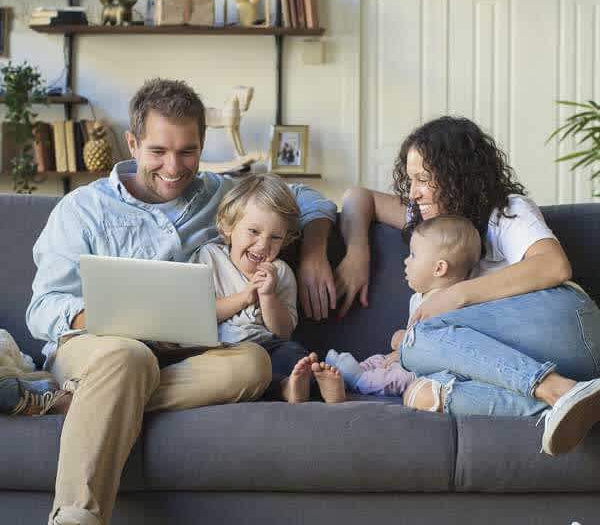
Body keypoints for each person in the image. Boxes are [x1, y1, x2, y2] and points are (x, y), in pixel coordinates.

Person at [26, 78, 337, 525]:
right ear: (132, 143)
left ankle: (87, 402)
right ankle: (77, 517)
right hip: (100, 349)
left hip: (188, 356)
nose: (174, 167)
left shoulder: (219, 195)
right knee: (128, 355)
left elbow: (306, 199)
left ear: (201, 144)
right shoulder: (82, 209)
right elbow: (42, 308)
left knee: (252, 363)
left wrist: (312, 254)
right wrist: (101, 316)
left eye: (187, 151)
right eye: (158, 152)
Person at [335, 116, 600, 455]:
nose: (413, 193)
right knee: (423, 392)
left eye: (423, 179)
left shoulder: (505, 212)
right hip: (556, 362)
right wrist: (357, 253)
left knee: (417, 340)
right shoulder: (434, 223)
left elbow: (554, 265)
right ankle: (574, 399)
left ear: (456, 178)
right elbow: (359, 197)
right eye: (410, 179)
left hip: (569, 325)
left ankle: (553, 390)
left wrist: (455, 296)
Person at [193, 173, 344, 404]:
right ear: (227, 226)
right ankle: (285, 388)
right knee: (215, 364)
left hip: (267, 345)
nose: (263, 245)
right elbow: (202, 314)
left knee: (295, 354)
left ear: (285, 241)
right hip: (220, 348)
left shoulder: (280, 272)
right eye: (253, 232)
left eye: (275, 237)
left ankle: (298, 387)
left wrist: (268, 296)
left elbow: (283, 331)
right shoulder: (209, 257)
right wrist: (245, 297)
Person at [326, 215, 480, 400]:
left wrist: (404, 342)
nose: (406, 261)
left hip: (427, 371)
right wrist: (400, 349)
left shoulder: (449, 305)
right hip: (407, 358)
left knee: (399, 378)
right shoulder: (418, 298)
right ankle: (349, 372)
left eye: (413, 255)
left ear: (439, 269)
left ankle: (360, 380)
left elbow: (436, 348)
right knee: (380, 360)